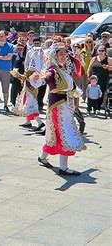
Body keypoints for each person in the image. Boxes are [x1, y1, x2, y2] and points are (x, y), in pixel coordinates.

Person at [32, 43, 86, 176]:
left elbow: (71, 86)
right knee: (64, 132)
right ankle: (63, 167)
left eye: (64, 53)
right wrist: (39, 78)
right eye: (60, 54)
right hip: (57, 106)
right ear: (55, 55)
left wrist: (75, 93)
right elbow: (46, 78)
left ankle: (42, 157)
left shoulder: (64, 69)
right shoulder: (53, 70)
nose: (63, 56)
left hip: (65, 105)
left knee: (55, 133)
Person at [13, 46, 45, 130]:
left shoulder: (36, 67)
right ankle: (28, 121)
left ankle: (40, 122)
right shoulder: (33, 65)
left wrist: (22, 76)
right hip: (28, 86)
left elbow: (32, 77)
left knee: (30, 104)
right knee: (26, 101)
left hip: (32, 87)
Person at [0, 30, 15, 111]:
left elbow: (8, 57)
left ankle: (5, 105)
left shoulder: (10, 46)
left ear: (6, 36)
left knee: (5, 89)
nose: (0, 38)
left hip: (6, 70)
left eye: (1, 36)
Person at [80, 37, 95, 102]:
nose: (88, 43)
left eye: (90, 42)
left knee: (92, 84)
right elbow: (80, 60)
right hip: (84, 70)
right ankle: (84, 98)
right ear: (85, 43)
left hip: (92, 70)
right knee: (84, 85)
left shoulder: (94, 50)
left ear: (92, 42)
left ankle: (91, 99)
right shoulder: (83, 51)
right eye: (87, 42)